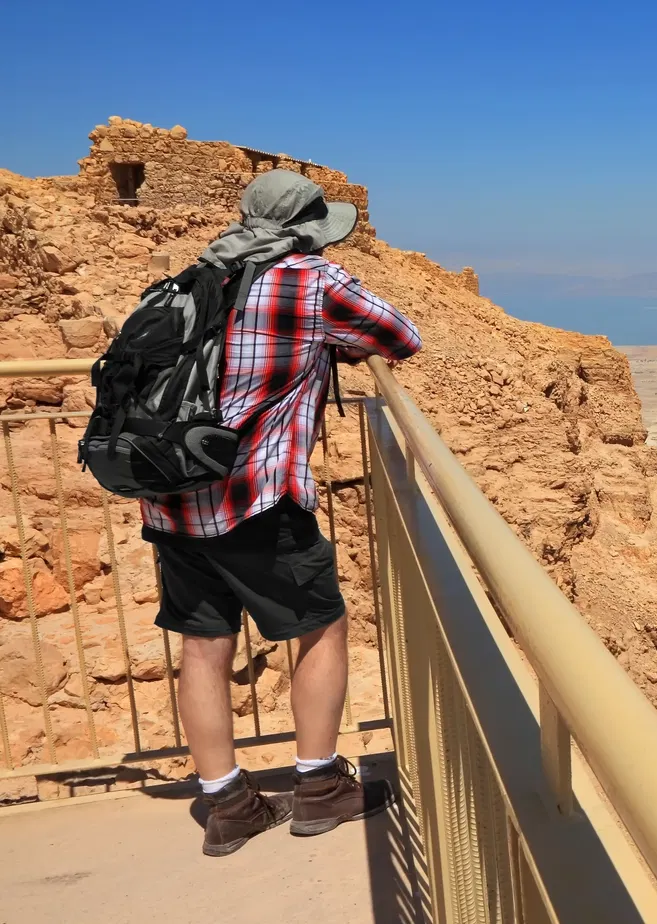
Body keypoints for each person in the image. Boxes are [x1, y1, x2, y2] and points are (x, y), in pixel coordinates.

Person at [139, 169, 422, 857]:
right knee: (320, 626)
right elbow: (401, 336)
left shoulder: (195, 276)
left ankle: (228, 803)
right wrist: (332, 341)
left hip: (172, 494)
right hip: (255, 496)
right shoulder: (310, 281)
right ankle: (320, 787)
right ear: (308, 228)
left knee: (204, 645)